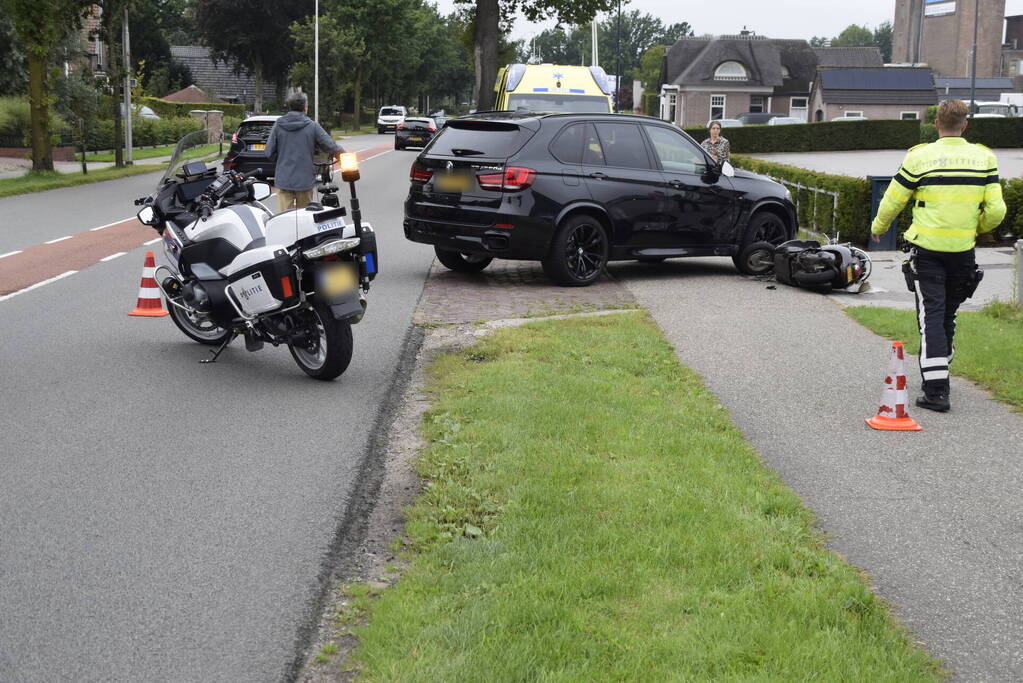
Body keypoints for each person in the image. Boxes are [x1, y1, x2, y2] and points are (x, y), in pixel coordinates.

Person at [869, 99, 1006, 412]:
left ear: (936, 124)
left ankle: (936, 391)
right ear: (965, 124)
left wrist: (879, 226)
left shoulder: (919, 157)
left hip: (928, 250)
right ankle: (940, 368)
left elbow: (894, 198)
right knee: (948, 314)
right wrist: (975, 227)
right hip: (963, 252)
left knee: (931, 314)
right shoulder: (984, 157)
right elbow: (997, 210)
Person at [265, 91, 344, 212]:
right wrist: (344, 157)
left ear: (290, 107)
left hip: (284, 180)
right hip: (305, 181)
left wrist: (282, 160)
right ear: (305, 108)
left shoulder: (278, 125)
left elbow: (269, 152)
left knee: (284, 217)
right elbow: (330, 146)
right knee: (306, 217)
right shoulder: (312, 126)